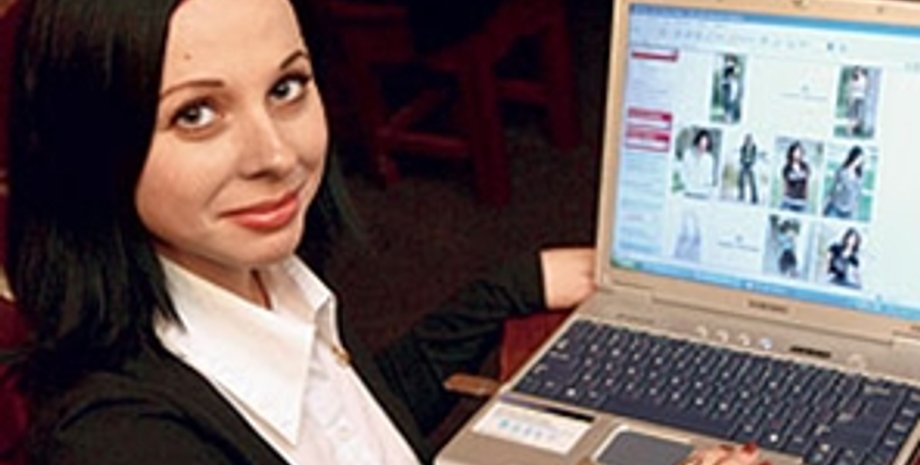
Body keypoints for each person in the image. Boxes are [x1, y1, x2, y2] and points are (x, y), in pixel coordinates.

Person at [4, 1, 766, 465]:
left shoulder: (257, 274)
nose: (277, 156)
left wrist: (514, 284)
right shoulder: (119, 443)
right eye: (195, 114)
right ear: (91, 146)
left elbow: (361, 426)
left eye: (287, 87)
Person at [823, 145, 865, 219]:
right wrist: (826, 201)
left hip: (848, 211)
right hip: (836, 207)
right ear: (853, 157)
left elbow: (858, 194)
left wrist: (855, 209)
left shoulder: (859, 176)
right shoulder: (842, 171)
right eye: (858, 158)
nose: (858, 162)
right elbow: (834, 188)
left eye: (861, 160)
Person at [681, 129, 717, 199]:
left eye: (705, 145)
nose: (702, 147)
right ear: (697, 142)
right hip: (688, 191)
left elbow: (709, 178)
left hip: (702, 193)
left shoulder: (709, 159)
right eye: (701, 144)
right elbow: (683, 173)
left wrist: (709, 189)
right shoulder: (688, 154)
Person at [779, 141, 811, 212]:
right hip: (789, 200)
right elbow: (785, 184)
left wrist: (806, 198)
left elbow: (806, 184)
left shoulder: (805, 167)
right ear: (791, 153)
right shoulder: (787, 168)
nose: (797, 154)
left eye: (799, 152)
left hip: (801, 201)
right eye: (795, 152)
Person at [845, 66, 868, 136]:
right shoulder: (853, 78)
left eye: (858, 70)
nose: (857, 72)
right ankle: (850, 130)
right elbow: (849, 88)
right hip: (853, 98)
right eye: (856, 70)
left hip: (859, 98)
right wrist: (849, 97)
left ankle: (854, 130)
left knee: (856, 115)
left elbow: (863, 88)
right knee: (852, 115)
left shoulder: (863, 79)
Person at [737, 133, 758, 204]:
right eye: (747, 139)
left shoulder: (754, 148)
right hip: (744, 164)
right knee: (741, 179)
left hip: (751, 165)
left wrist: (752, 164)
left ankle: (754, 198)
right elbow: (741, 157)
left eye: (749, 139)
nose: (748, 141)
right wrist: (742, 162)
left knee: (752, 181)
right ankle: (741, 195)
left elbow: (754, 157)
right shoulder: (743, 148)